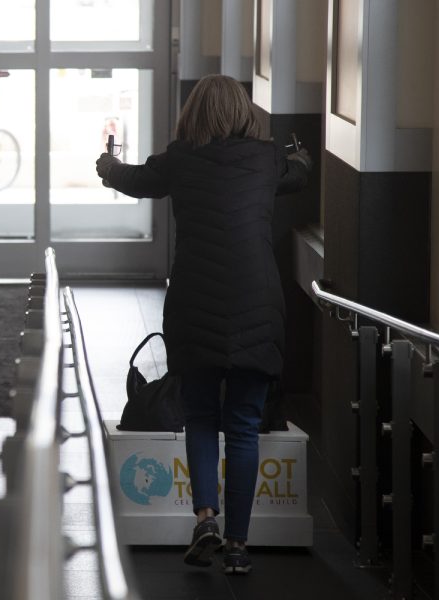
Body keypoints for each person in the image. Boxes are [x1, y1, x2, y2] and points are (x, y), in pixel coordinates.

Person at [95, 74, 311, 574]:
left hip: (194, 305)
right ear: (243, 113)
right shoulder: (265, 160)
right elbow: (299, 173)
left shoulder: (180, 161)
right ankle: (238, 545)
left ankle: (205, 519)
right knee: (242, 426)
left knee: (200, 417)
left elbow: (128, 178)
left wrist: (106, 163)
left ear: (193, 114)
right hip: (257, 306)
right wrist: (303, 156)